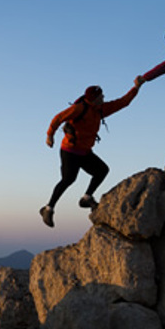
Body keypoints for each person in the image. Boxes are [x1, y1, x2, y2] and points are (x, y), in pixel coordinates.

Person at [40, 80, 143, 228]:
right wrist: (50, 135)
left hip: (85, 152)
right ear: (94, 98)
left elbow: (122, 102)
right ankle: (48, 209)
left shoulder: (100, 109)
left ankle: (86, 198)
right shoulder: (79, 108)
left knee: (102, 170)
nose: (104, 98)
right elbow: (58, 118)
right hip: (70, 151)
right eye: (101, 96)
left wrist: (136, 87)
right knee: (68, 179)